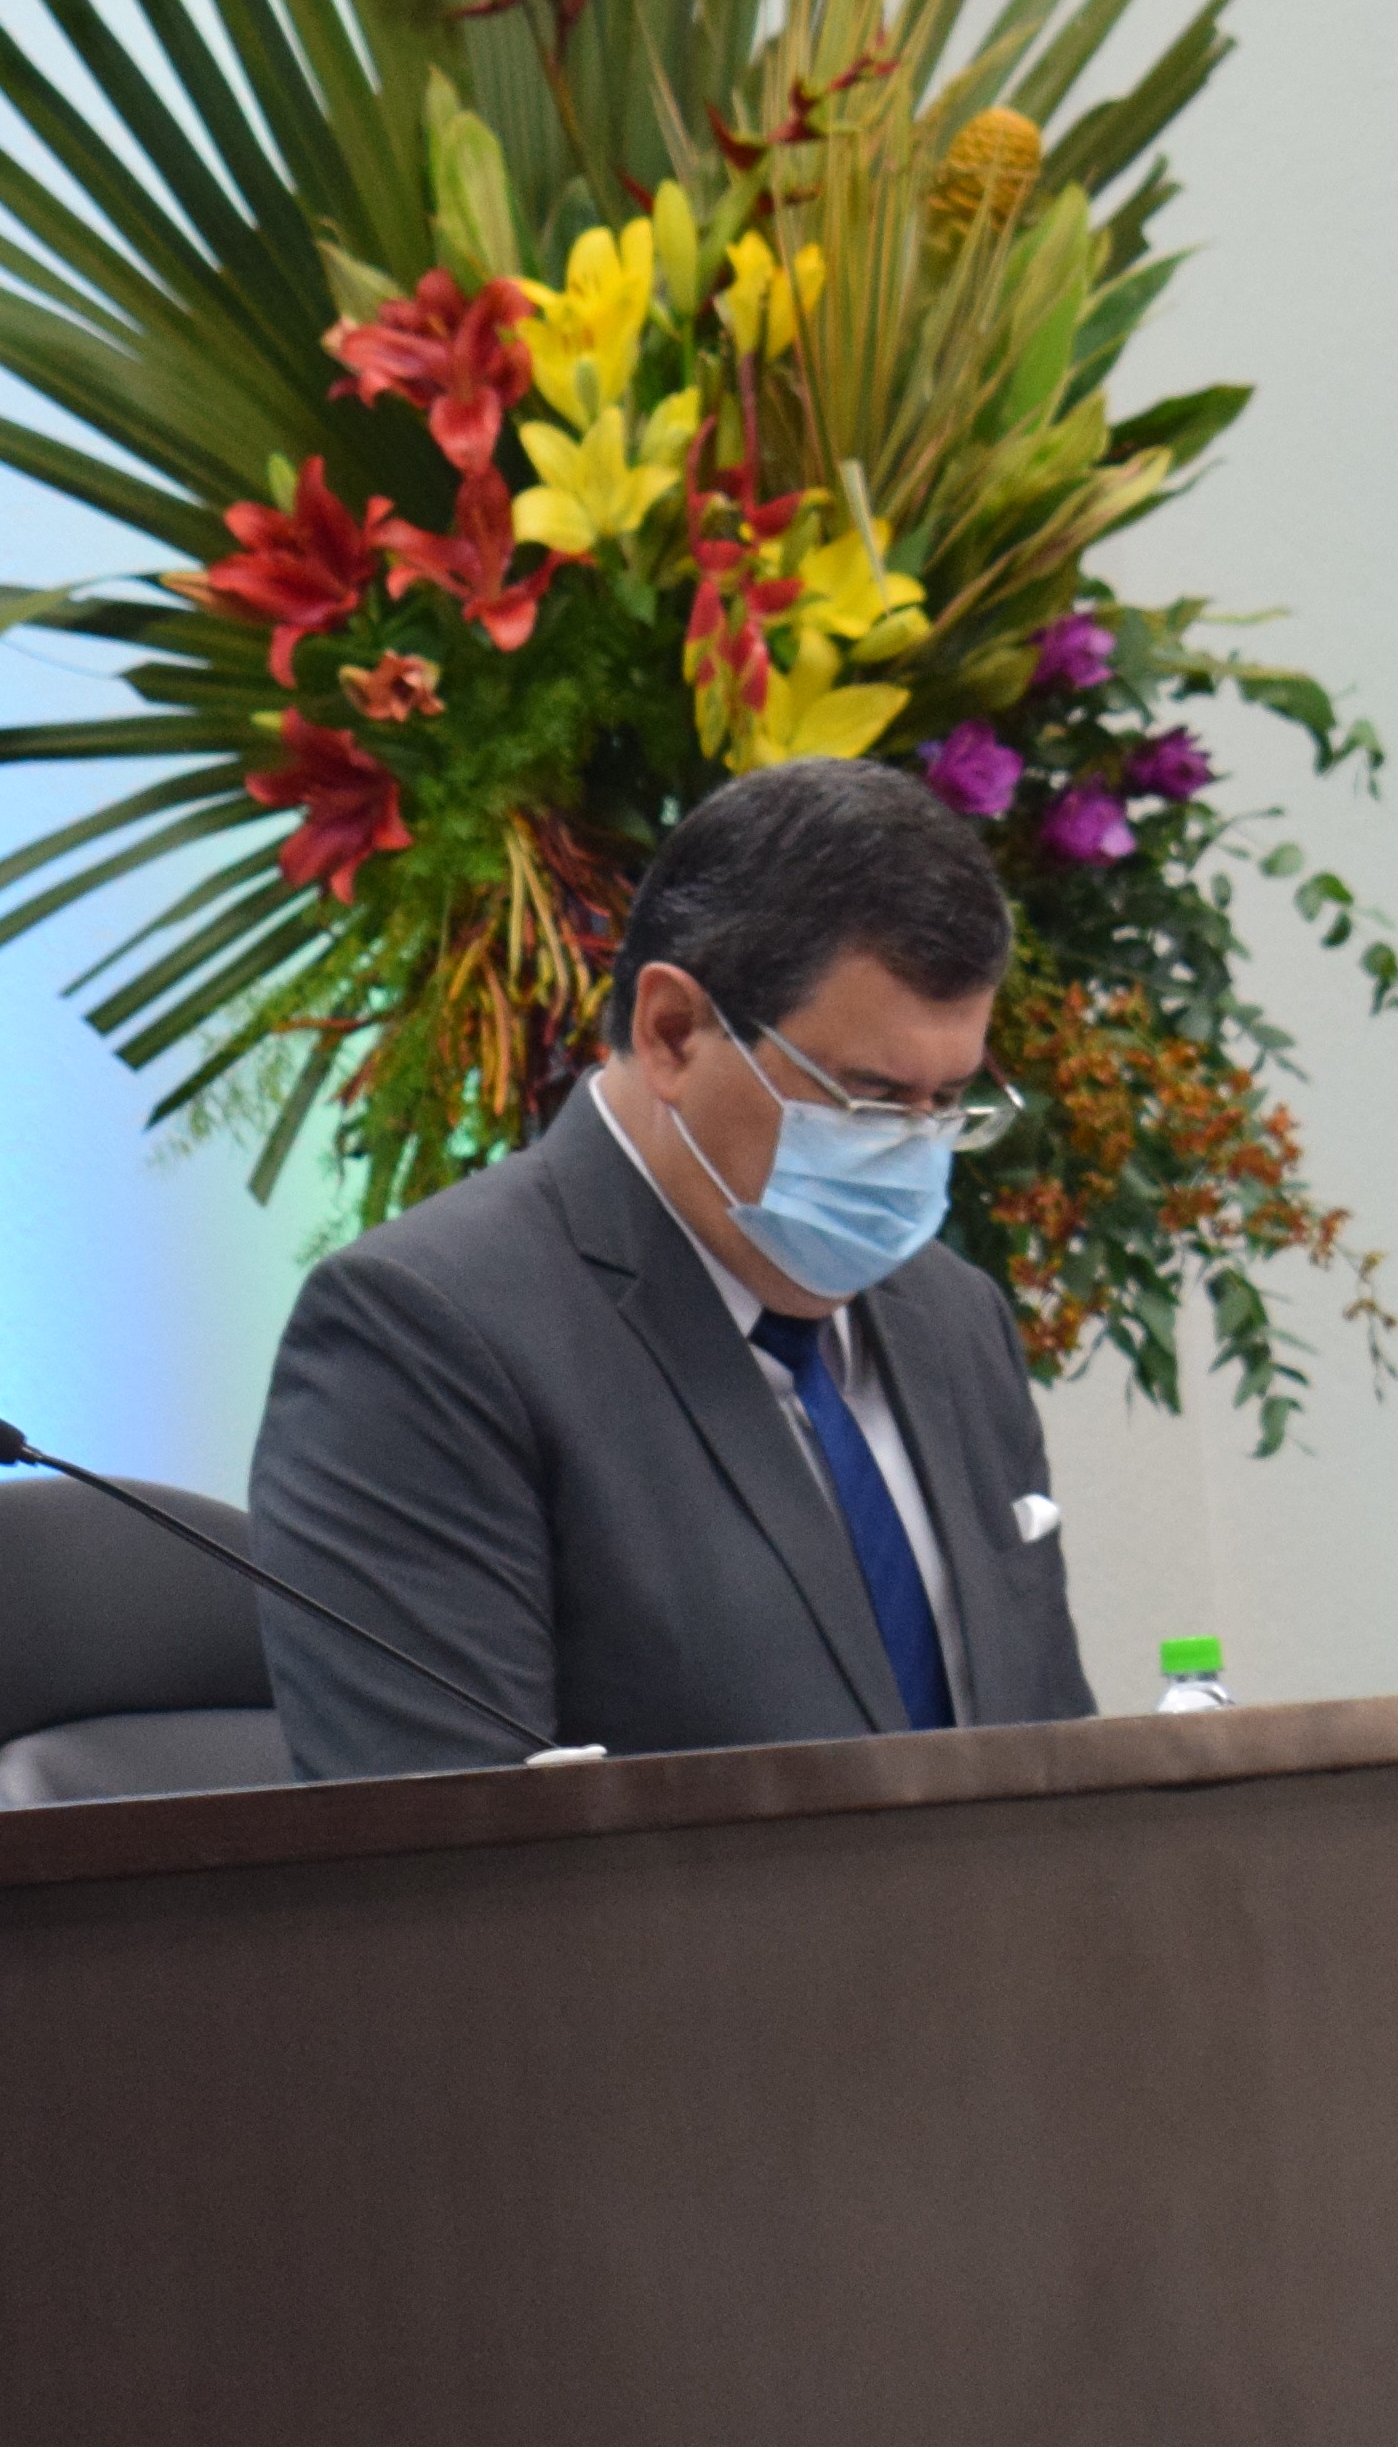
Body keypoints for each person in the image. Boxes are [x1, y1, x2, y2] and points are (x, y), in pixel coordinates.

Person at [243, 757, 1092, 1776]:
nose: (912, 1150)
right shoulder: (426, 1331)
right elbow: (443, 1841)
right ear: (673, 1033)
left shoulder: (953, 1318)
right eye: (869, 1101)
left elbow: (1057, 1764)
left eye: (946, 1103)